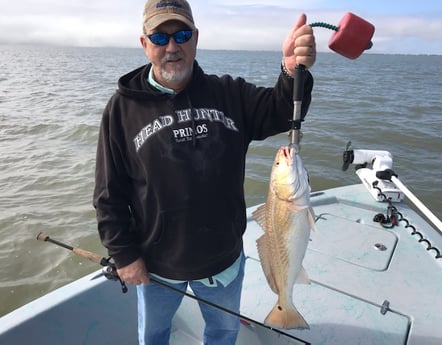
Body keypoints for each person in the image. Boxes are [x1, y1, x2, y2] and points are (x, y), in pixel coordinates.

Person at [93, 0, 316, 344]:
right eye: (160, 36)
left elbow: (281, 111)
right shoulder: (121, 109)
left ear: (196, 38)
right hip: (156, 266)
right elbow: (108, 193)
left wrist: (291, 71)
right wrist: (124, 255)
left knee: (223, 332)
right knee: (153, 335)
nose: (172, 47)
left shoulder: (229, 93)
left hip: (223, 261)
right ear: (144, 43)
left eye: (182, 34)